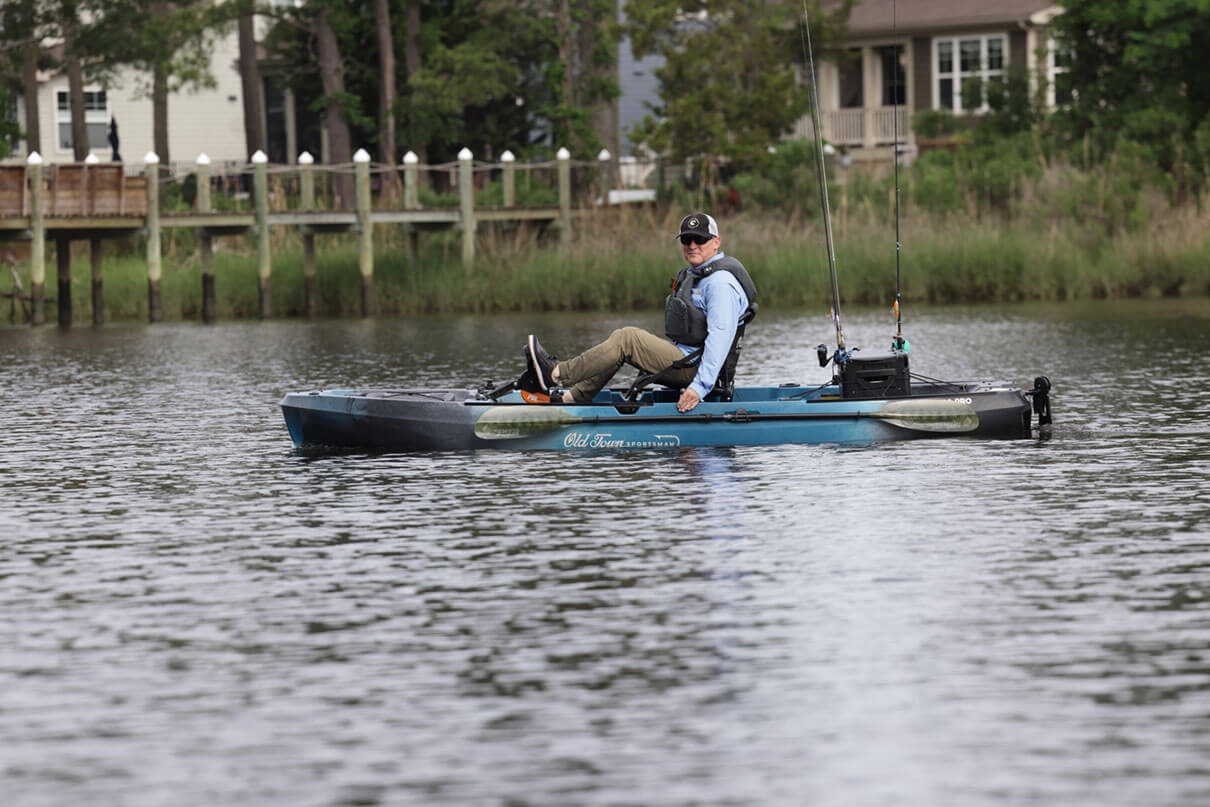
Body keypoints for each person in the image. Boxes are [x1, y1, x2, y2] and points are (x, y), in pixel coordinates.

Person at [522, 212, 756, 413]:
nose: (692, 245)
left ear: (716, 242)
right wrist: (650, 360)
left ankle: (555, 373)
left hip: (696, 368)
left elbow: (720, 337)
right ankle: (571, 399)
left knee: (627, 339)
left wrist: (699, 387)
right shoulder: (699, 275)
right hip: (684, 359)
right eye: (687, 239)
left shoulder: (720, 284)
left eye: (700, 239)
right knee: (621, 340)